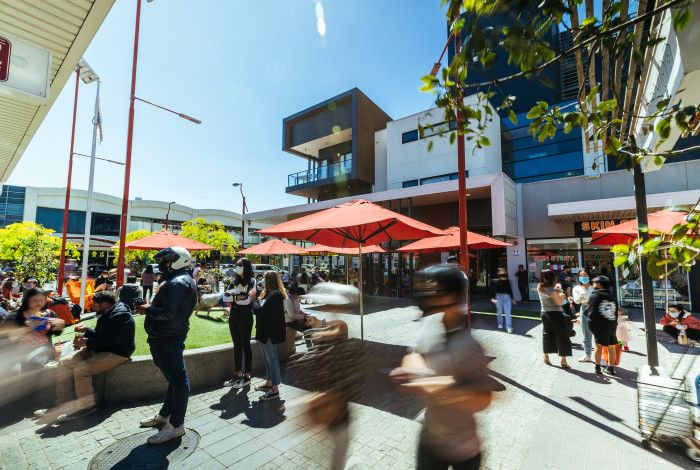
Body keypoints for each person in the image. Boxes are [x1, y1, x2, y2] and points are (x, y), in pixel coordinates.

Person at [391, 264, 504, 470]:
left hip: (464, 449)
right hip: (429, 439)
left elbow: (484, 398)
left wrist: (434, 384)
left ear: (453, 297)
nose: (428, 298)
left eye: (436, 293)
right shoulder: (431, 323)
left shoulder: (471, 346)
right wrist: (414, 370)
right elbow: (414, 353)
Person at [35, 291, 135, 422]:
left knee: (82, 370)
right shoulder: (109, 311)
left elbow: (112, 341)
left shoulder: (121, 315)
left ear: (104, 304)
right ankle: (62, 404)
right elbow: (101, 334)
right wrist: (87, 330)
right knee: (64, 363)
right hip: (101, 348)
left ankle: (86, 407)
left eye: (95, 304)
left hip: (117, 353)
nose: (92, 306)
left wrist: (86, 342)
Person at [135, 246, 197, 444]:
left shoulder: (177, 282)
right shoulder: (179, 280)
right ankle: (165, 416)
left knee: (178, 381)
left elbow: (168, 313)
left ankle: (176, 426)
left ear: (178, 261)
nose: (162, 264)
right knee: (174, 379)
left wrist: (147, 310)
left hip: (168, 337)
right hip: (167, 336)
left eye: (167, 260)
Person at [3, 288, 65, 372]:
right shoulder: (15, 316)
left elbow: (57, 332)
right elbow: (7, 338)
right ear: (27, 300)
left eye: (42, 300)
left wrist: (59, 325)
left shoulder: (49, 314)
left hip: (44, 353)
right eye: (35, 300)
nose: (39, 303)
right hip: (20, 355)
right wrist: (28, 328)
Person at [253, 270, 287, 401]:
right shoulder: (269, 294)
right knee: (267, 360)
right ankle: (269, 383)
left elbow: (259, 310)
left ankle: (275, 389)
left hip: (270, 334)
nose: (262, 281)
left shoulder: (275, 295)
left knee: (272, 360)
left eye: (264, 279)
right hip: (265, 333)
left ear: (269, 280)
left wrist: (253, 299)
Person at [223, 258, 256, 389]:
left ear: (246, 267)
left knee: (245, 344)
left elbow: (247, 301)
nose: (237, 267)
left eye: (240, 265)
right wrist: (237, 297)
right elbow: (224, 297)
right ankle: (237, 374)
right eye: (237, 265)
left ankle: (247, 375)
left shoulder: (252, 281)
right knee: (236, 345)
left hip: (245, 316)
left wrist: (235, 298)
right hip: (234, 315)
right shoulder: (234, 281)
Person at [584, 275, 618, 375]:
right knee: (611, 347)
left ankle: (597, 368)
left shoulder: (595, 295)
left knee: (598, 346)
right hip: (611, 324)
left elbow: (592, 312)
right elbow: (615, 312)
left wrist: (591, 325)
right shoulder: (612, 296)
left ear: (599, 284)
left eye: (595, 283)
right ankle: (611, 368)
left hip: (600, 325)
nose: (593, 284)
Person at [537, 269, 572, 369]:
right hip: (556, 313)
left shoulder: (540, 286)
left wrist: (559, 290)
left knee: (546, 334)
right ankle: (563, 360)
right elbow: (559, 302)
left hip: (544, 313)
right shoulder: (554, 288)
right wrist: (563, 293)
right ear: (553, 276)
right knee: (562, 336)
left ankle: (546, 357)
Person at [572, 270, 595, 363]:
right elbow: (577, 301)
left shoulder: (595, 287)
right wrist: (582, 296)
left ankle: (600, 355)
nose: (583, 277)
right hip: (584, 310)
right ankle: (587, 354)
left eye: (585, 275)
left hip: (595, 310)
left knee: (598, 333)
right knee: (586, 333)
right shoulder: (577, 288)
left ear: (589, 275)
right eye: (581, 276)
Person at [490, 268, 516, 333]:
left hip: (507, 298)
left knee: (508, 313)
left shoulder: (507, 281)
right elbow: (493, 291)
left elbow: (510, 290)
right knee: (499, 312)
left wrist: (512, 299)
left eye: (503, 271)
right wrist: (492, 298)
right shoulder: (495, 281)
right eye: (501, 272)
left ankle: (509, 327)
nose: (502, 273)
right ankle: (500, 324)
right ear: (498, 273)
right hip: (499, 297)